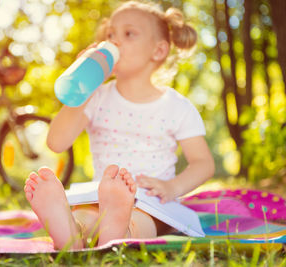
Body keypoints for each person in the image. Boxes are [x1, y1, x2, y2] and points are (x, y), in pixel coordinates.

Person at [24, 0, 215, 250]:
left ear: (157, 51)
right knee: (87, 217)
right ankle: (72, 233)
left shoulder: (176, 106)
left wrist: (172, 187)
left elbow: (203, 163)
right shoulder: (96, 97)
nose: (114, 41)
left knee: (141, 221)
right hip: (99, 196)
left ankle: (121, 229)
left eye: (128, 34)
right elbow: (56, 142)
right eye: (110, 34)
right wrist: (83, 90)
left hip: (152, 201)